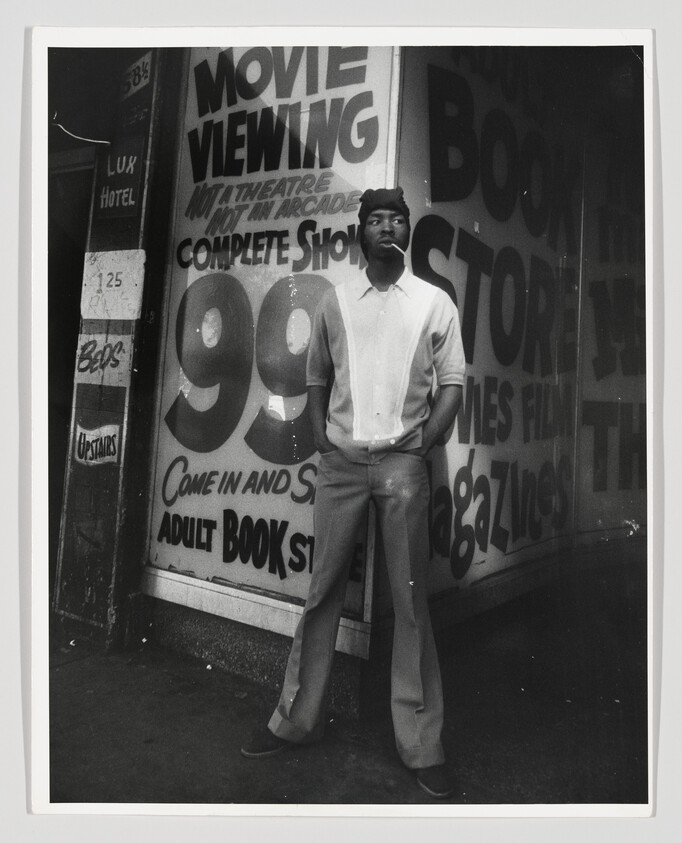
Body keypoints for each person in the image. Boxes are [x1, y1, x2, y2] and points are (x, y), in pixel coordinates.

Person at [240, 187, 465, 800]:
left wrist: (427, 441)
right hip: (341, 465)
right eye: (375, 219)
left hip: (401, 465)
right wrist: (320, 433)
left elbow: (452, 383)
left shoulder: (434, 302)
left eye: (395, 218)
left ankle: (423, 745)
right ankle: (295, 722)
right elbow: (317, 373)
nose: (385, 226)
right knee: (322, 594)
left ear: (407, 230)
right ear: (360, 230)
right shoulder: (336, 301)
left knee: (411, 600)